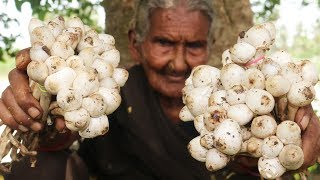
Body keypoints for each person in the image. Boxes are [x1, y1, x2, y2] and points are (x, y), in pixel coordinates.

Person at [1, 0, 320, 179]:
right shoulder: (110, 91)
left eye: (194, 45)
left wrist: (291, 130)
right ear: (135, 45)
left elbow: (252, 158)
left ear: (209, 47)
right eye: (164, 42)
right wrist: (41, 126)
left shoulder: (231, 98)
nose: (178, 63)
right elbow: (58, 146)